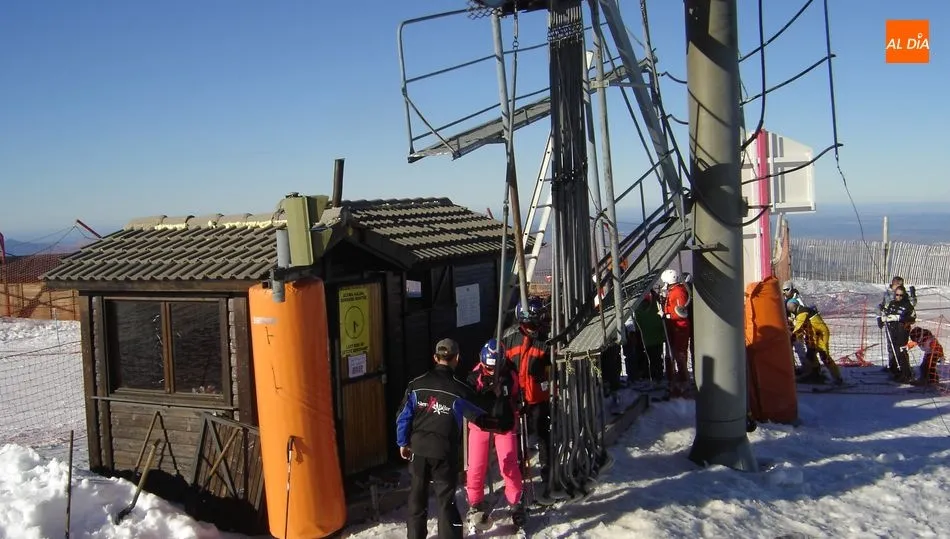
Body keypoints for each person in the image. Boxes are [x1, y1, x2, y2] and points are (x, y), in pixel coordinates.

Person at [396, 338, 510, 539]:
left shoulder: (417, 384)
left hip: (419, 450)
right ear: (457, 358)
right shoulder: (460, 389)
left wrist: (402, 442)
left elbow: (403, 415)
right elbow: (482, 412)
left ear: (435, 358)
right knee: (445, 501)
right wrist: (497, 397)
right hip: (444, 452)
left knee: (417, 499)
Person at [465, 339, 525, 531]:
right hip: (481, 426)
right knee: (476, 467)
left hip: (503, 425)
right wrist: (484, 391)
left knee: (509, 465)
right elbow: (467, 402)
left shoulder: (509, 373)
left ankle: (516, 502)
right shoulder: (475, 376)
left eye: (494, 368)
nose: (490, 371)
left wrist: (508, 397)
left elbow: (515, 394)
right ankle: (475, 504)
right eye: (487, 368)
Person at [501, 296, 552, 503]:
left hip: (538, 396)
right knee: (516, 439)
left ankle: (548, 474)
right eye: (533, 321)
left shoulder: (546, 338)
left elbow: (555, 366)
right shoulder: (509, 337)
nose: (536, 326)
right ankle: (518, 475)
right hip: (516, 398)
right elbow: (500, 364)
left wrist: (546, 370)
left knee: (542, 435)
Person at [787, 299, 844, 385]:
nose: (789, 310)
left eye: (789, 308)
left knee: (824, 356)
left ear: (792, 306)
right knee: (810, 355)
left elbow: (799, 326)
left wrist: (793, 336)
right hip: (813, 336)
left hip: (820, 335)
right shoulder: (800, 313)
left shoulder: (802, 312)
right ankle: (815, 375)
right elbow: (802, 327)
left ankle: (837, 378)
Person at [659, 268, 691, 397]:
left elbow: (681, 312)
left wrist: (666, 315)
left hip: (679, 328)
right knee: (672, 353)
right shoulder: (672, 291)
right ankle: (674, 378)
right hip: (673, 327)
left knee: (679, 354)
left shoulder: (678, 292)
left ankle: (683, 380)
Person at [623, 290, 665, 383]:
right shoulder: (652, 298)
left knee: (652, 356)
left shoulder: (650, 299)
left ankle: (650, 375)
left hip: (649, 334)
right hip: (647, 334)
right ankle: (648, 375)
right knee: (649, 356)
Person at [878, 285, 916, 383]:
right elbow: (886, 314)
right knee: (893, 351)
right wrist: (882, 319)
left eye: (900, 295)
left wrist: (899, 318)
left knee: (901, 351)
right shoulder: (892, 303)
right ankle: (896, 372)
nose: (898, 297)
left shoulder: (908, 305)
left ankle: (907, 374)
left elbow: (912, 318)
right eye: (897, 294)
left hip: (902, 330)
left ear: (904, 295)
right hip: (892, 330)